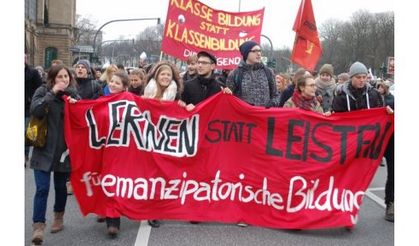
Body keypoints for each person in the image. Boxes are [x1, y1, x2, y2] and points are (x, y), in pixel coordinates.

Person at [29, 64, 80, 245]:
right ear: (52, 78)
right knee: (42, 189)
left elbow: (83, 117)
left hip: (63, 151)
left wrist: (77, 106)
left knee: (60, 188)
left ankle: (59, 216)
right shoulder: (42, 91)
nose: (64, 80)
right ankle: (38, 226)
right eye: (60, 77)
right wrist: (52, 93)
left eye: (66, 77)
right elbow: (36, 110)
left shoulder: (73, 94)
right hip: (43, 149)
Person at [142, 61, 185, 228]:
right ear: (156, 76)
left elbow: (183, 112)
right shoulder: (146, 94)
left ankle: (155, 211)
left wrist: (182, 105)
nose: (165, 77)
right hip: (146, 140)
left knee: (160, 176)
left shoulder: (176, 95)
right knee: (147, 175)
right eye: (162, 74)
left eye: (168, 75)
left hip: (165, 141)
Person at [102, 71, 130, 238]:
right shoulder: (102, 100)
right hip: (104, 149)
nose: (112, 85)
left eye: (117, 83)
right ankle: (110, 217)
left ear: (124, 87)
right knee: (107, 182)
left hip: (123, 151)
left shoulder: (130, 102)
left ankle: (114, 218)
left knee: (117, 183)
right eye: (111, 81)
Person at [225, 40, 280, 108]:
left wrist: (271, 104)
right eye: (254, 51)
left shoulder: (268, 72)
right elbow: (228, 99)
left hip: (264, 116)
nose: (259, 54)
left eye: (259, 51)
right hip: (243, 117)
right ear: (246, 53)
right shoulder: (235, 74)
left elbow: (276, 96)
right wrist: (226, 92)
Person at [377, 80, 395, 222]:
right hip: (384, 139)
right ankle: (391, 203)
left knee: (395, 174)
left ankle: (391, 202)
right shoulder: (379, 96)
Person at [25, 54, 43, 166]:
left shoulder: (33, 73)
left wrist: (33, 100)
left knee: (24, 132)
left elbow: (39, 88)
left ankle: (25, 155)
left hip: (27, 107)